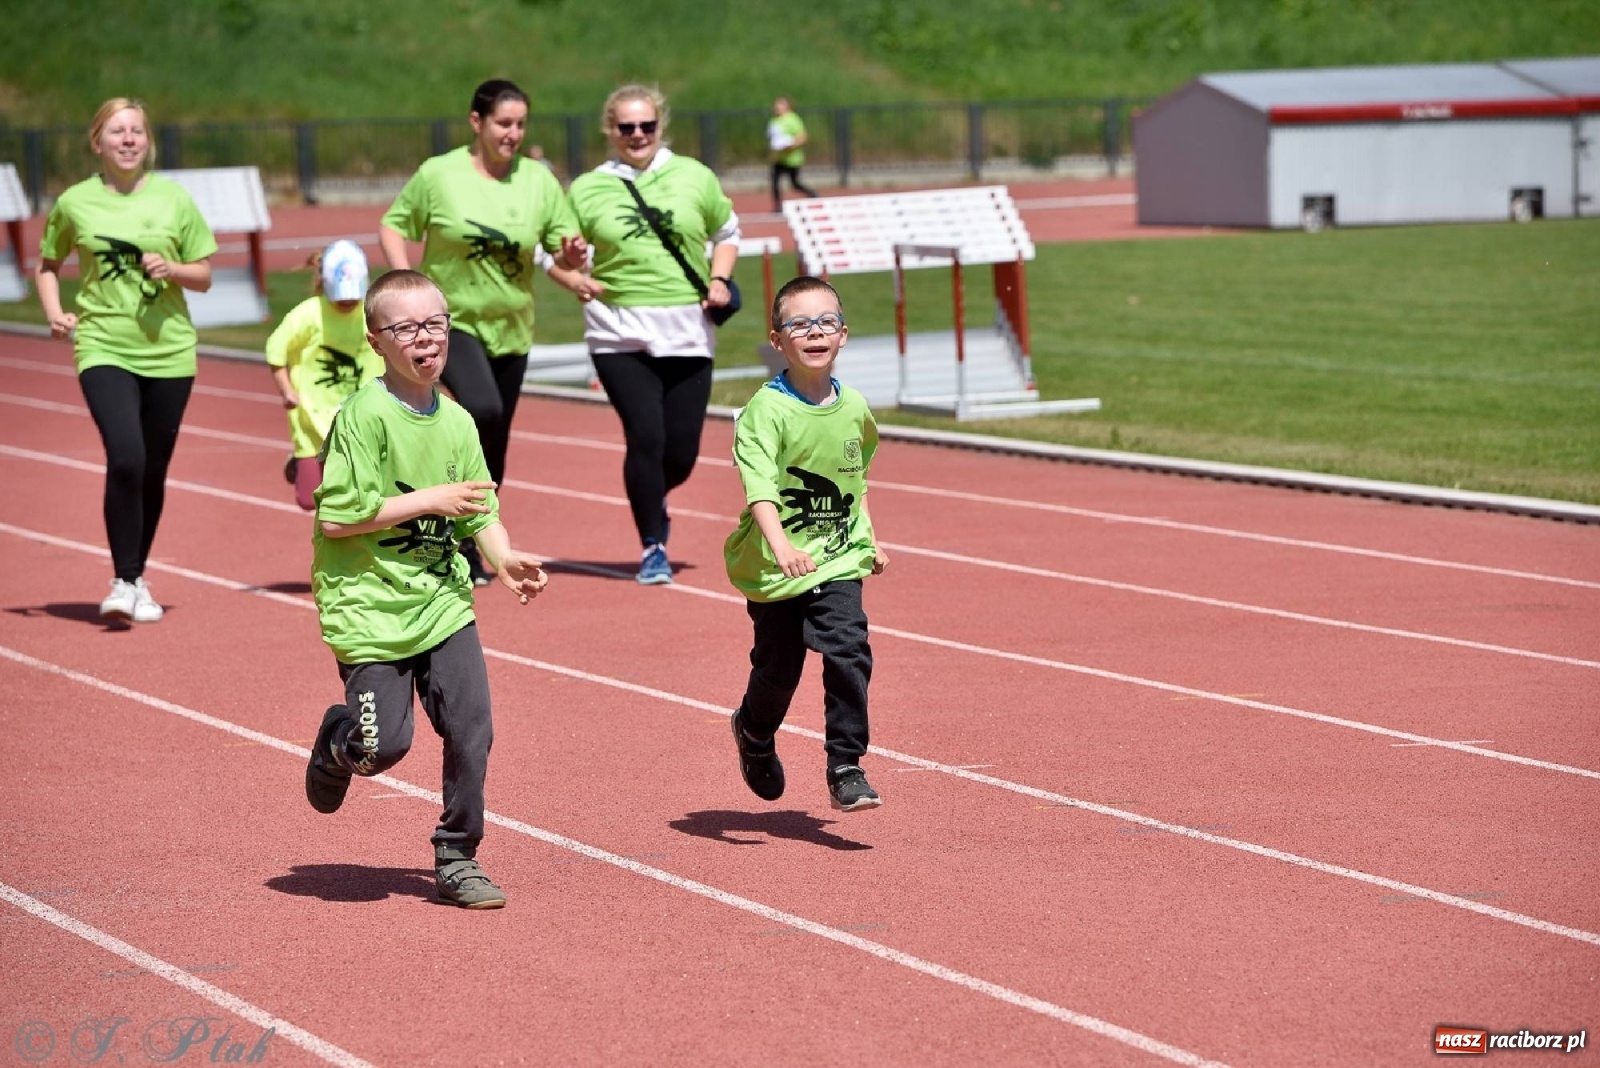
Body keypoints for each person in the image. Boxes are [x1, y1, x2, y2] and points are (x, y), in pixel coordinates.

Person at [303, 269, 549, 910]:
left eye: (435, 324)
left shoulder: (460, 423)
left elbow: (479, 509)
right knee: (385, 746)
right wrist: (428, 500)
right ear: (376, 340)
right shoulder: (363, 417)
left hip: (442, 601)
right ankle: (339, 744)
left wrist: (503, 556)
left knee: (473, 729)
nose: (426, 338)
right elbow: (335, 517)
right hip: (368, 609)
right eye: (407, 327)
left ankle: (457, 855)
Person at [379, 77, 586, 585]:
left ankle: (468, 534)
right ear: (477, 122)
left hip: (512, 327)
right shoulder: (439, 174)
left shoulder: (537, 180)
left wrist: (572, 260)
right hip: (454, 322)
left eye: (520, 124)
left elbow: (560, 247)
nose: (513, 133)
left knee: (495, 442)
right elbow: (393, 224)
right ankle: (461, 533)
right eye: (503, 123)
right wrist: (407, 286)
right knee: (484, 408)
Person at [35, 97, 217, 624]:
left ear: (147, 140)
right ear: (98, 142)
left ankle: (137, 579)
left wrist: (174, 269)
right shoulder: (74, 203)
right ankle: (122, 579)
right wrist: (54, 312)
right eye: (118, 131)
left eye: (137, 130)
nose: (129, 139)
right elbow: (49, 263)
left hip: (171, 350)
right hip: (103, 344)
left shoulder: (174, 200)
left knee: (153, 468)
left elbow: (204, 275)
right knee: (127, 456)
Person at [724, 276, 889, 812]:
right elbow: (760, 491)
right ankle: (752, 731)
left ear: (843, 335)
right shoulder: (765, 412)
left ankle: (846, 764)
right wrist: (782, 548)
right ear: (778, 340)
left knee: (848, 647)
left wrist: (870, 538)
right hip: (777, 566)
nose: (814, 332)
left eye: (826, 322)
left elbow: (853, 477)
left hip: (837, 555)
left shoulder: (855, 408)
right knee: (779, 670)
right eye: (799, 323)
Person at [567, 84, 741, 585]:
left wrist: (719, 280)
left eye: (646, 126)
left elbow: (726, 233)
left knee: (680, 454)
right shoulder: (588, 188)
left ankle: (650, 494)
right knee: (645, 436)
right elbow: (557, 254)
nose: (637, 135)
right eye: (626, 127)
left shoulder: (693, 176)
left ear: (660, 127)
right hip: (617, 330)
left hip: (688, 330)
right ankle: (653, 546)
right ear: (610, 130)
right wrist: (573, 267)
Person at [265, 240, 385, 511]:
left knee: (363, 497)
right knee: (309, 500)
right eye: (341, 296)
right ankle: (300, 463)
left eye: (352, 295)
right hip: (312, 418)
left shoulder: (372, 312)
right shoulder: (308, 314)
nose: (347, 302)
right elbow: (276, 351)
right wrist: (286, 390)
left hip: (362, 417)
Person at [767, 96, 817, 214]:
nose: (777, 107)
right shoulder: (774, 121)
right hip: (779, 159)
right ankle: (778, 206)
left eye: (780, 104)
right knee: (774, 182)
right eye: (776, 104)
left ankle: (812, 193)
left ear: (787, 107)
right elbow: (772, 139)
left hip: (792, 159)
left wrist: (791, 146)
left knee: (795, 184)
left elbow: (802, 137)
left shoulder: (793, 119)